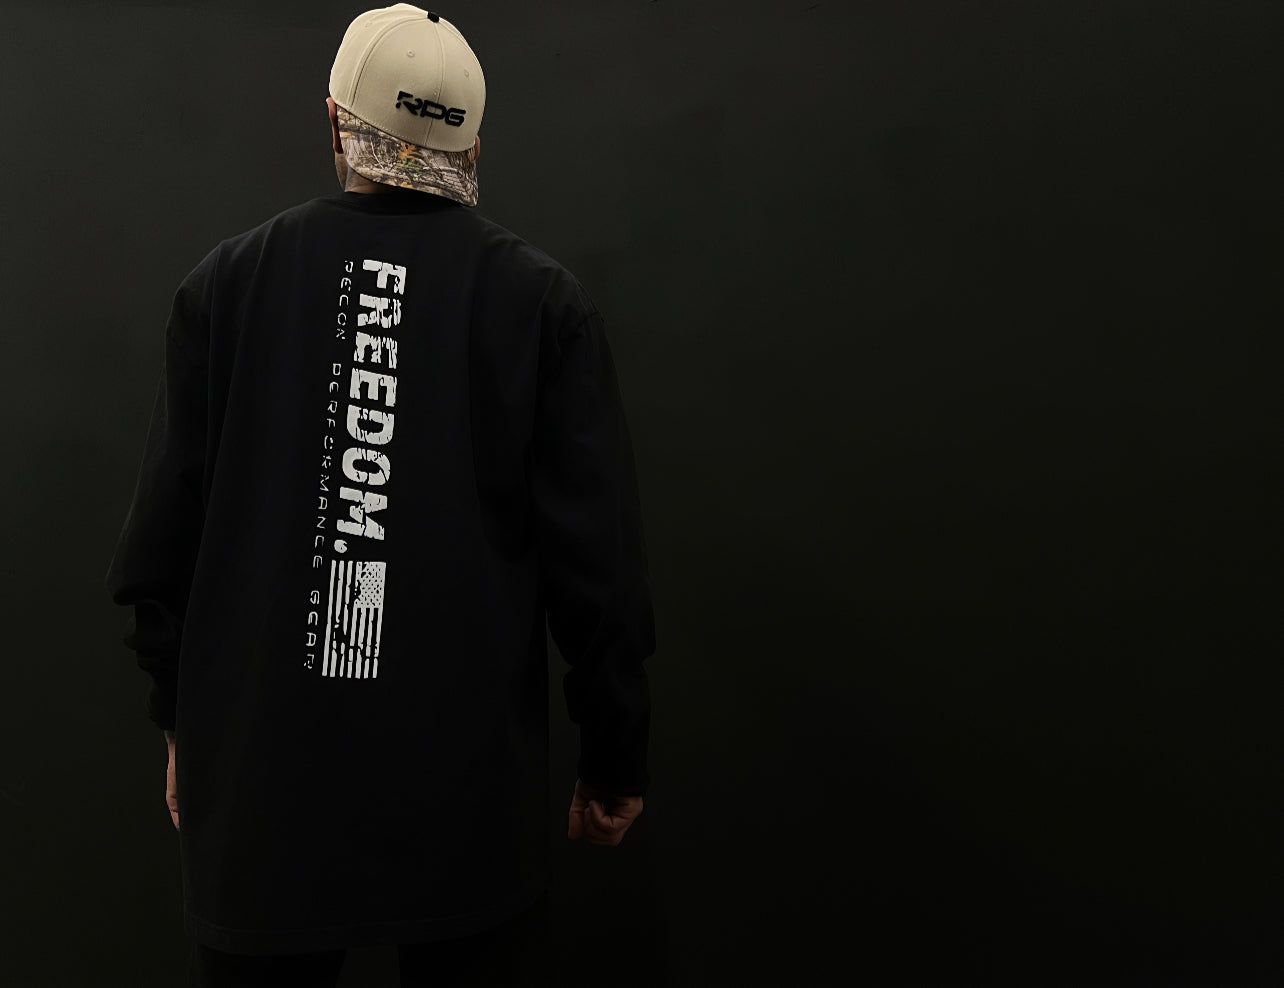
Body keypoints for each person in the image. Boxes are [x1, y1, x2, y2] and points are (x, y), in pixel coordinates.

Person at [103, 5, 656, 985]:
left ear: (334, 119)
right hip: (464, 798)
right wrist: (614, 754)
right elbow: (597, 570)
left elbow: (160, 548)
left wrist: (182, 721)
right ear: (472, 145)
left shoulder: (226, 287)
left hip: (262, 786)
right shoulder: (541, 303)